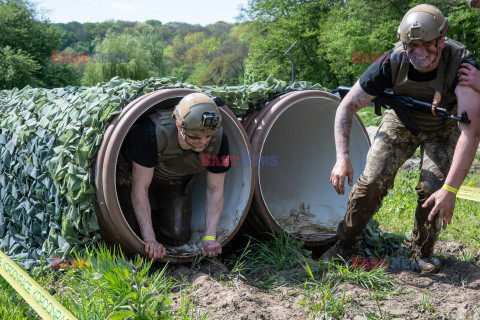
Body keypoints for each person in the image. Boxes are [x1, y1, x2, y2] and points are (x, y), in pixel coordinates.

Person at [323, 4, 480, 273]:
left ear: (442, 40)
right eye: (411, 46)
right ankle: (345, 246)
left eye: (427, 46)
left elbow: (471, 130)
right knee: (370, 182)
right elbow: (346, 106)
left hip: (444, 128)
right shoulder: (390, 62)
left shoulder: (462, 64)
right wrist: (342, 157)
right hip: (401, 121)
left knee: (432, 190)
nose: (419, 54)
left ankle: (421, 251)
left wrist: (451, 190)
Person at [119, 92, 231, 260]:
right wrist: (150, 240)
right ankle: (143, 228)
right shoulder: (152, 132)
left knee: (178, 236)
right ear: (179, 126)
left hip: (173, 182)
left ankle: (157, 217)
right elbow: (139, 188)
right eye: (195, 137)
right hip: (130, 177)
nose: (203, 142)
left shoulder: (219, 140)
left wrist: (209, 238)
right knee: (129, 227)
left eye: (208, 136)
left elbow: (215, 191)